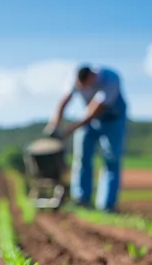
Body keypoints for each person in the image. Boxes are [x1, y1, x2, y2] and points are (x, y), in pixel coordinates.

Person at [45, 64, 128, 212]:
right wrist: (54, 125)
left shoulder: (111, 80)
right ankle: (81, 199)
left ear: (92, 77)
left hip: (112, 119)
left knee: (111, 159)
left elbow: (94, 110)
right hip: (88, 117)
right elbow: (63, 102)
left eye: (85, 85)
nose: (83, 89)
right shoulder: (74, 78)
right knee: (82, 156)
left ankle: (106, 206)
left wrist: (69, 130)